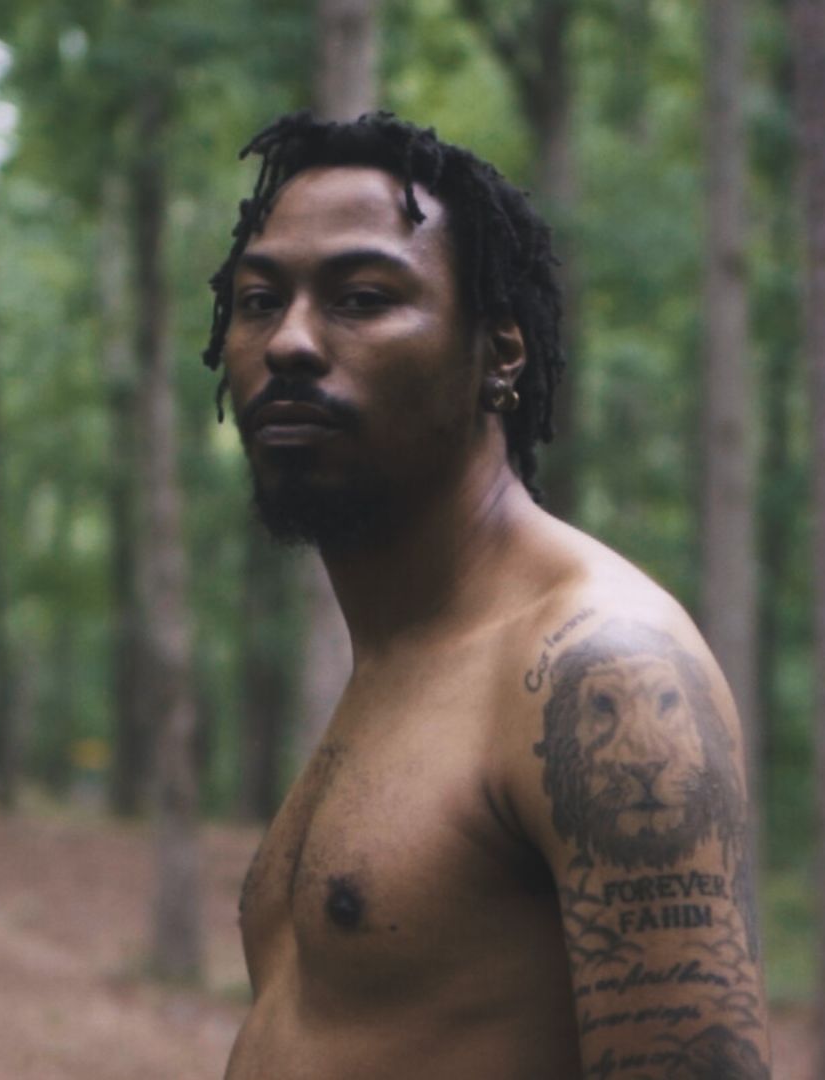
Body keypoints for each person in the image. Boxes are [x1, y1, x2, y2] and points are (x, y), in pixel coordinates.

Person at [210, 112, 771, 1080]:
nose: (290, 341)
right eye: (260, 299)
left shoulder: (602, 670)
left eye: (361, 297)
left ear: (500, 354)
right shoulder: (403, 657)